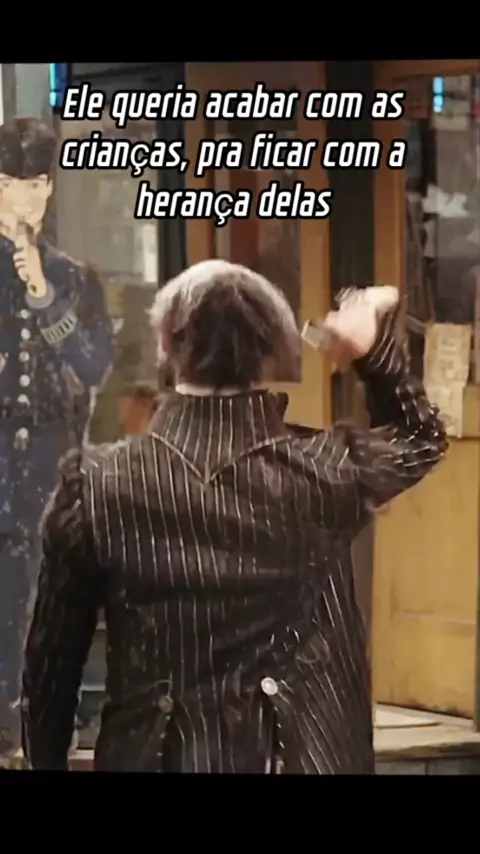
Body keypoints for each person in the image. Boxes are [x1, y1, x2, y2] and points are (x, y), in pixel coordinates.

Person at [21, 259, 447, 773]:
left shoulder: (95, 486)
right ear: (270, 354)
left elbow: (52, 665)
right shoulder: (328, 470)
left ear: (166, 346)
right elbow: (420, 436)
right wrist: (370, 351)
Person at [0, 117, 114, 755]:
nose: (22, 199)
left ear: (48, 189)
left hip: (51, 463)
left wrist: (45, 298)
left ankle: (46, 734)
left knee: (53, 604)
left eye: (34, 184)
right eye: (8, 185)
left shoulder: (72, 278)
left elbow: (93, 365)